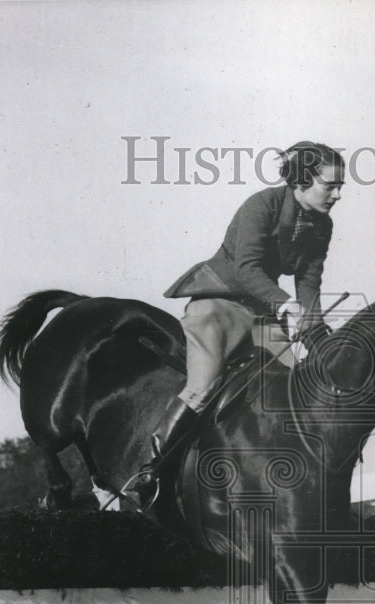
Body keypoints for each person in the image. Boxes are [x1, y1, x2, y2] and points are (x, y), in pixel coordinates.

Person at [124, 140, 345, 509]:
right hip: (218, 303)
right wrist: (286, 304)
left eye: (341, 187)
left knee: (298, 388)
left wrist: (316, 330)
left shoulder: (322, 225)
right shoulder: (263, 204)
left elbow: (309, 280)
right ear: (303, 181)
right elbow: (246, 270)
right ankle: (150, 473)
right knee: (202, 388)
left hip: (262, 313)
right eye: (331, 185)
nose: (338, 195)